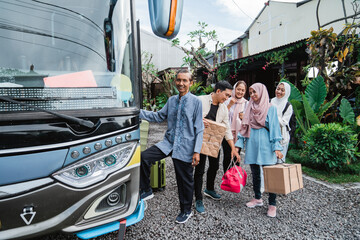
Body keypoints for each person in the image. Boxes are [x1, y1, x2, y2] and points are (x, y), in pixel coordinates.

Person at [139, 69, 204, 224]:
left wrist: (197, 151)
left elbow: (199, 128)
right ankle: (146, 190)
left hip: (186, 146)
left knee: (184, 180)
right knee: (144, 158)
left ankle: (186, 210)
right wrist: (139, 112)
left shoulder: (196, 102)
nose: (181, 83)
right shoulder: (171, 100)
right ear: (175, 81)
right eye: (179, 80)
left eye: (185, 81)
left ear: (191, 83)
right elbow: (159, 116)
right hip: (168, 143)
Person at [235, 83, 283, 218]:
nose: (252, 95)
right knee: (255, 173)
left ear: (262, 92)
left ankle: (272, 204)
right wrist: (238, 145)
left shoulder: (270, 109)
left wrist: (277, 147)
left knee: (270, 176)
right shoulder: (249, 107)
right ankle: (257, 198)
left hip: (266, 146)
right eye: (250, 92)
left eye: (255, 92)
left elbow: (274, 129)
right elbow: (244, 127)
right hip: (253, 145)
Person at [194, 81, 240, 214]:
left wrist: (233, 148)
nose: (227, 98)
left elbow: (227, 129)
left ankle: (209, 189)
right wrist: (198, 121)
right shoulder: (200, 100)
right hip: (199, 141)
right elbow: (187, 117)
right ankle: (198, 198)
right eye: (226, 95)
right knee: (199, 170)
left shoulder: (224, 108)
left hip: (214, 142)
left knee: (214, 166)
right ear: (218, 91)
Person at [222, 80, 248, 173]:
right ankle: (227, 178)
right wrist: (229, 105)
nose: (240, 92)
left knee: (236, 156)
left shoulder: (246, 103)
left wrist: (244, 117)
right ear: (234, 89)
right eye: (238, 89)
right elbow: (222, 115)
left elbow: (248, 119)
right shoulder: (227, 100)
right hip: (227, 133)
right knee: (227, 156)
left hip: (238, 135)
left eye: (243, 90)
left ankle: (235, 180)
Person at [270, 82, 293, 163]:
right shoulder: (271, 101)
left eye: (282, 90)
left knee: (279, 162)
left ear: (286, 92)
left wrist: (272, 115)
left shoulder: (288, 106)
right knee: (269, 162)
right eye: (278, 89)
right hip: (269, 136)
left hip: (282, 137)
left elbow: (283, 122)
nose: (279, 92)